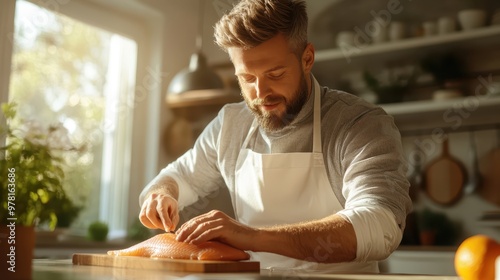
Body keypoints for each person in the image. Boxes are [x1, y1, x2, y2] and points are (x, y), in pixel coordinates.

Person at [139, 0, 411, 273]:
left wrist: (252, 236)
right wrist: (162, 195)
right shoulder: (230, 125)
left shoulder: (359, 123)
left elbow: (381, 225)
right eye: (247, 78)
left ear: (307, 58)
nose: (261, 92)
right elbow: (178, 177)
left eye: (276, 73)